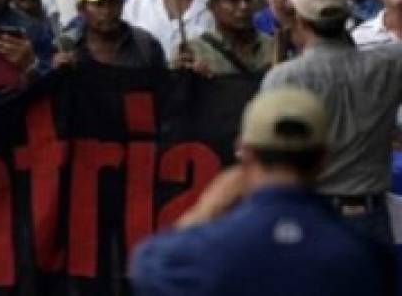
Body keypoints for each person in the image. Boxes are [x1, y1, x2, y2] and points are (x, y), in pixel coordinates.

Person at [129, 86, 390, 295]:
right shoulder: (361, 253)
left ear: (245, 152)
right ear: (324, 159)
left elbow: (146, 266)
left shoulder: (206, 249)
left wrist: (204, 210)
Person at [262, 0, 402, 247]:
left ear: (299, 21)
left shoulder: (286, 78)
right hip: (372, 216)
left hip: (313, 218)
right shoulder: (389, 64)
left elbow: (270, 160)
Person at [54, 0, 166, 69]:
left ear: (122, 4)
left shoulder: (146, 45)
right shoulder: (67, 47)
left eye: (113, 2)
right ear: (81, 9)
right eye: (99, 4)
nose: (107, 11)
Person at [177, 0, 272, 76]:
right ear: (212, 7)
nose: (244, 6)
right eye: (233, 1)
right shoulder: (194, 52)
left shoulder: (271, 46)